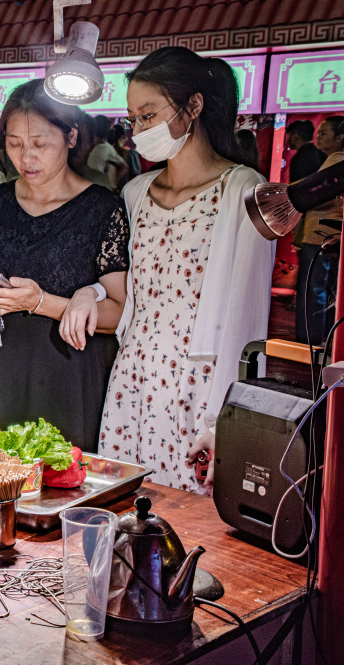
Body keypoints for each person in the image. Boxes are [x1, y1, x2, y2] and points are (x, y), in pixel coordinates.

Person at [95, 47, 275, 492]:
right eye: (133, 119)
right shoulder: (135, 192)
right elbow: (123, 285)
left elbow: (247, 315)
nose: (138, 130)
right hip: (133, 372)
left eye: (149, 115)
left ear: (193, 106)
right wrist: (90, 295)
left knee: (192, 518)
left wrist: (224, 417)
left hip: (201, 380)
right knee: (124, 505)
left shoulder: (243, 189)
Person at [0, 79, 129, 453]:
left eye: (40, 144)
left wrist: (40, 302)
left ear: (71, 136)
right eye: (14, 144)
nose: (26, 158)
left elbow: (118, 311)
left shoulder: (102, 209)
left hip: (65, 377)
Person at [295, 116, 344, 345]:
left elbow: (321, 197)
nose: (319, 136)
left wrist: (301, 198)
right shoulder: (331, 159)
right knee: (320, 287)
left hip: (321, 233)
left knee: (313, 289)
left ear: (341, 137)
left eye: (325, 133)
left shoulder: (337, 160)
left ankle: (310, 340)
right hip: (326, 233)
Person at [86, 114, 127, 189]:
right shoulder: (107, 147)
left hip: (98, 191)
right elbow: (123, 166)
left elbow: (92, 176)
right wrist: (114, 183)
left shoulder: (99, 150)